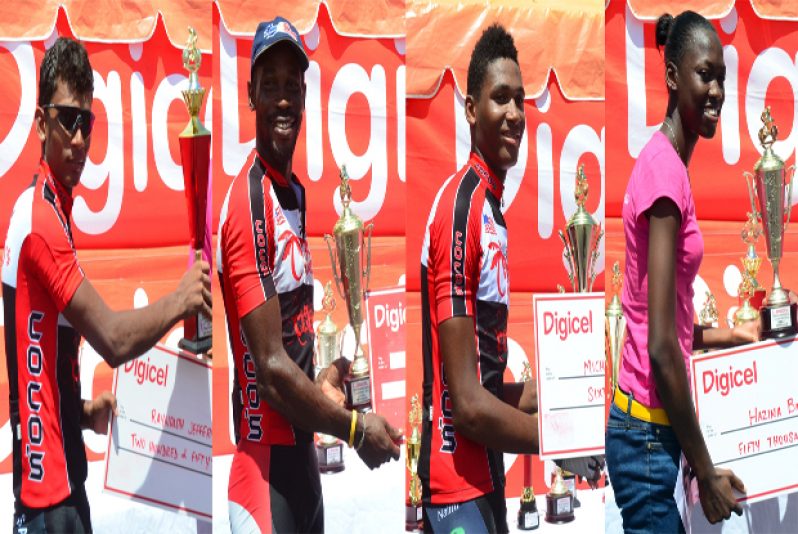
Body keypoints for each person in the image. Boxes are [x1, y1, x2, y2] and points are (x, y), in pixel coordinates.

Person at [2, 37, 212, 533]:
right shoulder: (40, 224)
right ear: (39, 124)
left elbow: (36, 377)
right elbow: (114, 340)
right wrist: (181, 298)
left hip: (56, 491)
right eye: (65, 119)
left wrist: (83, 413)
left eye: (86, 123)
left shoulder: (45, 209)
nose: (77, 139)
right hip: (50, 504)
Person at [217, 17, 401, 533]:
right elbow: (272, 369)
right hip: (264, 478)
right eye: (269, 84)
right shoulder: (249, 201)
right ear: (251, 94)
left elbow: (292, 348)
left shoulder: (292, 193)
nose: (281, 99)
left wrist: (324, 379)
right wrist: (354, 428)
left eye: (291, 86)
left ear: (304, 95)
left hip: (302, 474)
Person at [605, 11, 757, 531]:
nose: (716, 90)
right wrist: (707, 471)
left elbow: (663, 320)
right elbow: (662, 347)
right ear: (672, 77)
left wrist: (734, 333)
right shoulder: (665, 174)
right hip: (646, 436)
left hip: (653, 433)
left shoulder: (666, 163)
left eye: (722, 78)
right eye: (704, 74)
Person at [417, 24, 539, 533]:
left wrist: (554, 400)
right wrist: (552, 436)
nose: (514, 114)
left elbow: (485, 384)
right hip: (456, 490)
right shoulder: (461, 208)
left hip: (485, 481)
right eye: (500, 99)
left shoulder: (491, 208)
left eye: (521, 100)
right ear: (470, 109)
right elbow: (465, 405)